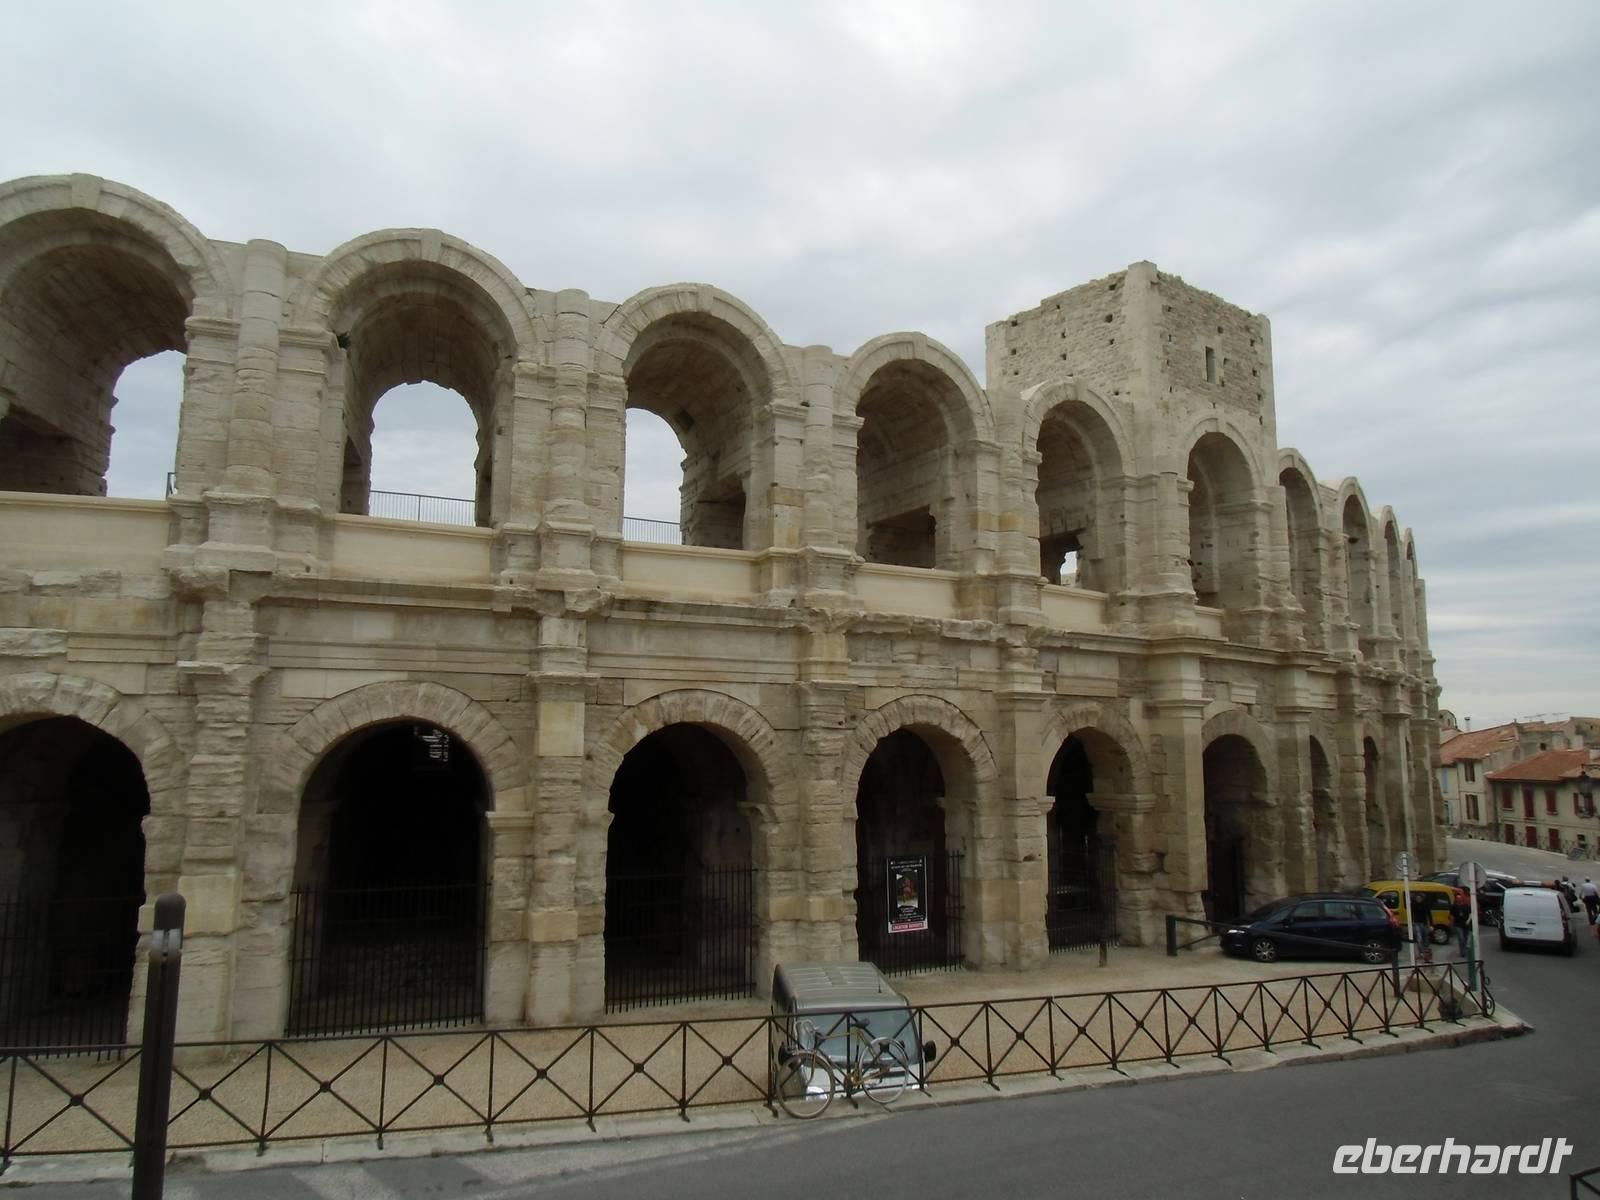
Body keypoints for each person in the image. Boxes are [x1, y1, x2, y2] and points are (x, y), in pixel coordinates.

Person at [1409, 892, 1433, 963]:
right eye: (1417, 898)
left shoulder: (1425, 905)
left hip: (1424, 923)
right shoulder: (1414, 905)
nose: (1418, 899)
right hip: (1417, 923)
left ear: (1422, 899)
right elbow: (1411, 913)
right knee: (1419, 938)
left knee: (1426, 937)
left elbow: (1429, 915)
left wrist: (1431, 924)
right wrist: (1412, 922)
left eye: (1419, 898)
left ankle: (1426, 952)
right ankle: (1421, 952)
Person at [1450, 890, 1472, 958]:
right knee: (1461, 938)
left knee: (1465, 938)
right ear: (1456, 899)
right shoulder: (1454, 906)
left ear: (1461, 899)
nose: (1459, 899)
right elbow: (1451, 915)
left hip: (1465, 925)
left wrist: (1468, 920)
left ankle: (1464, 950)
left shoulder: (1466, 906)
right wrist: (1451, 920)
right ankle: (1462, 952)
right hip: (1458, 925)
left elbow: (1470, 914)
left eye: (1460, 898)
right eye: (1457, 898)